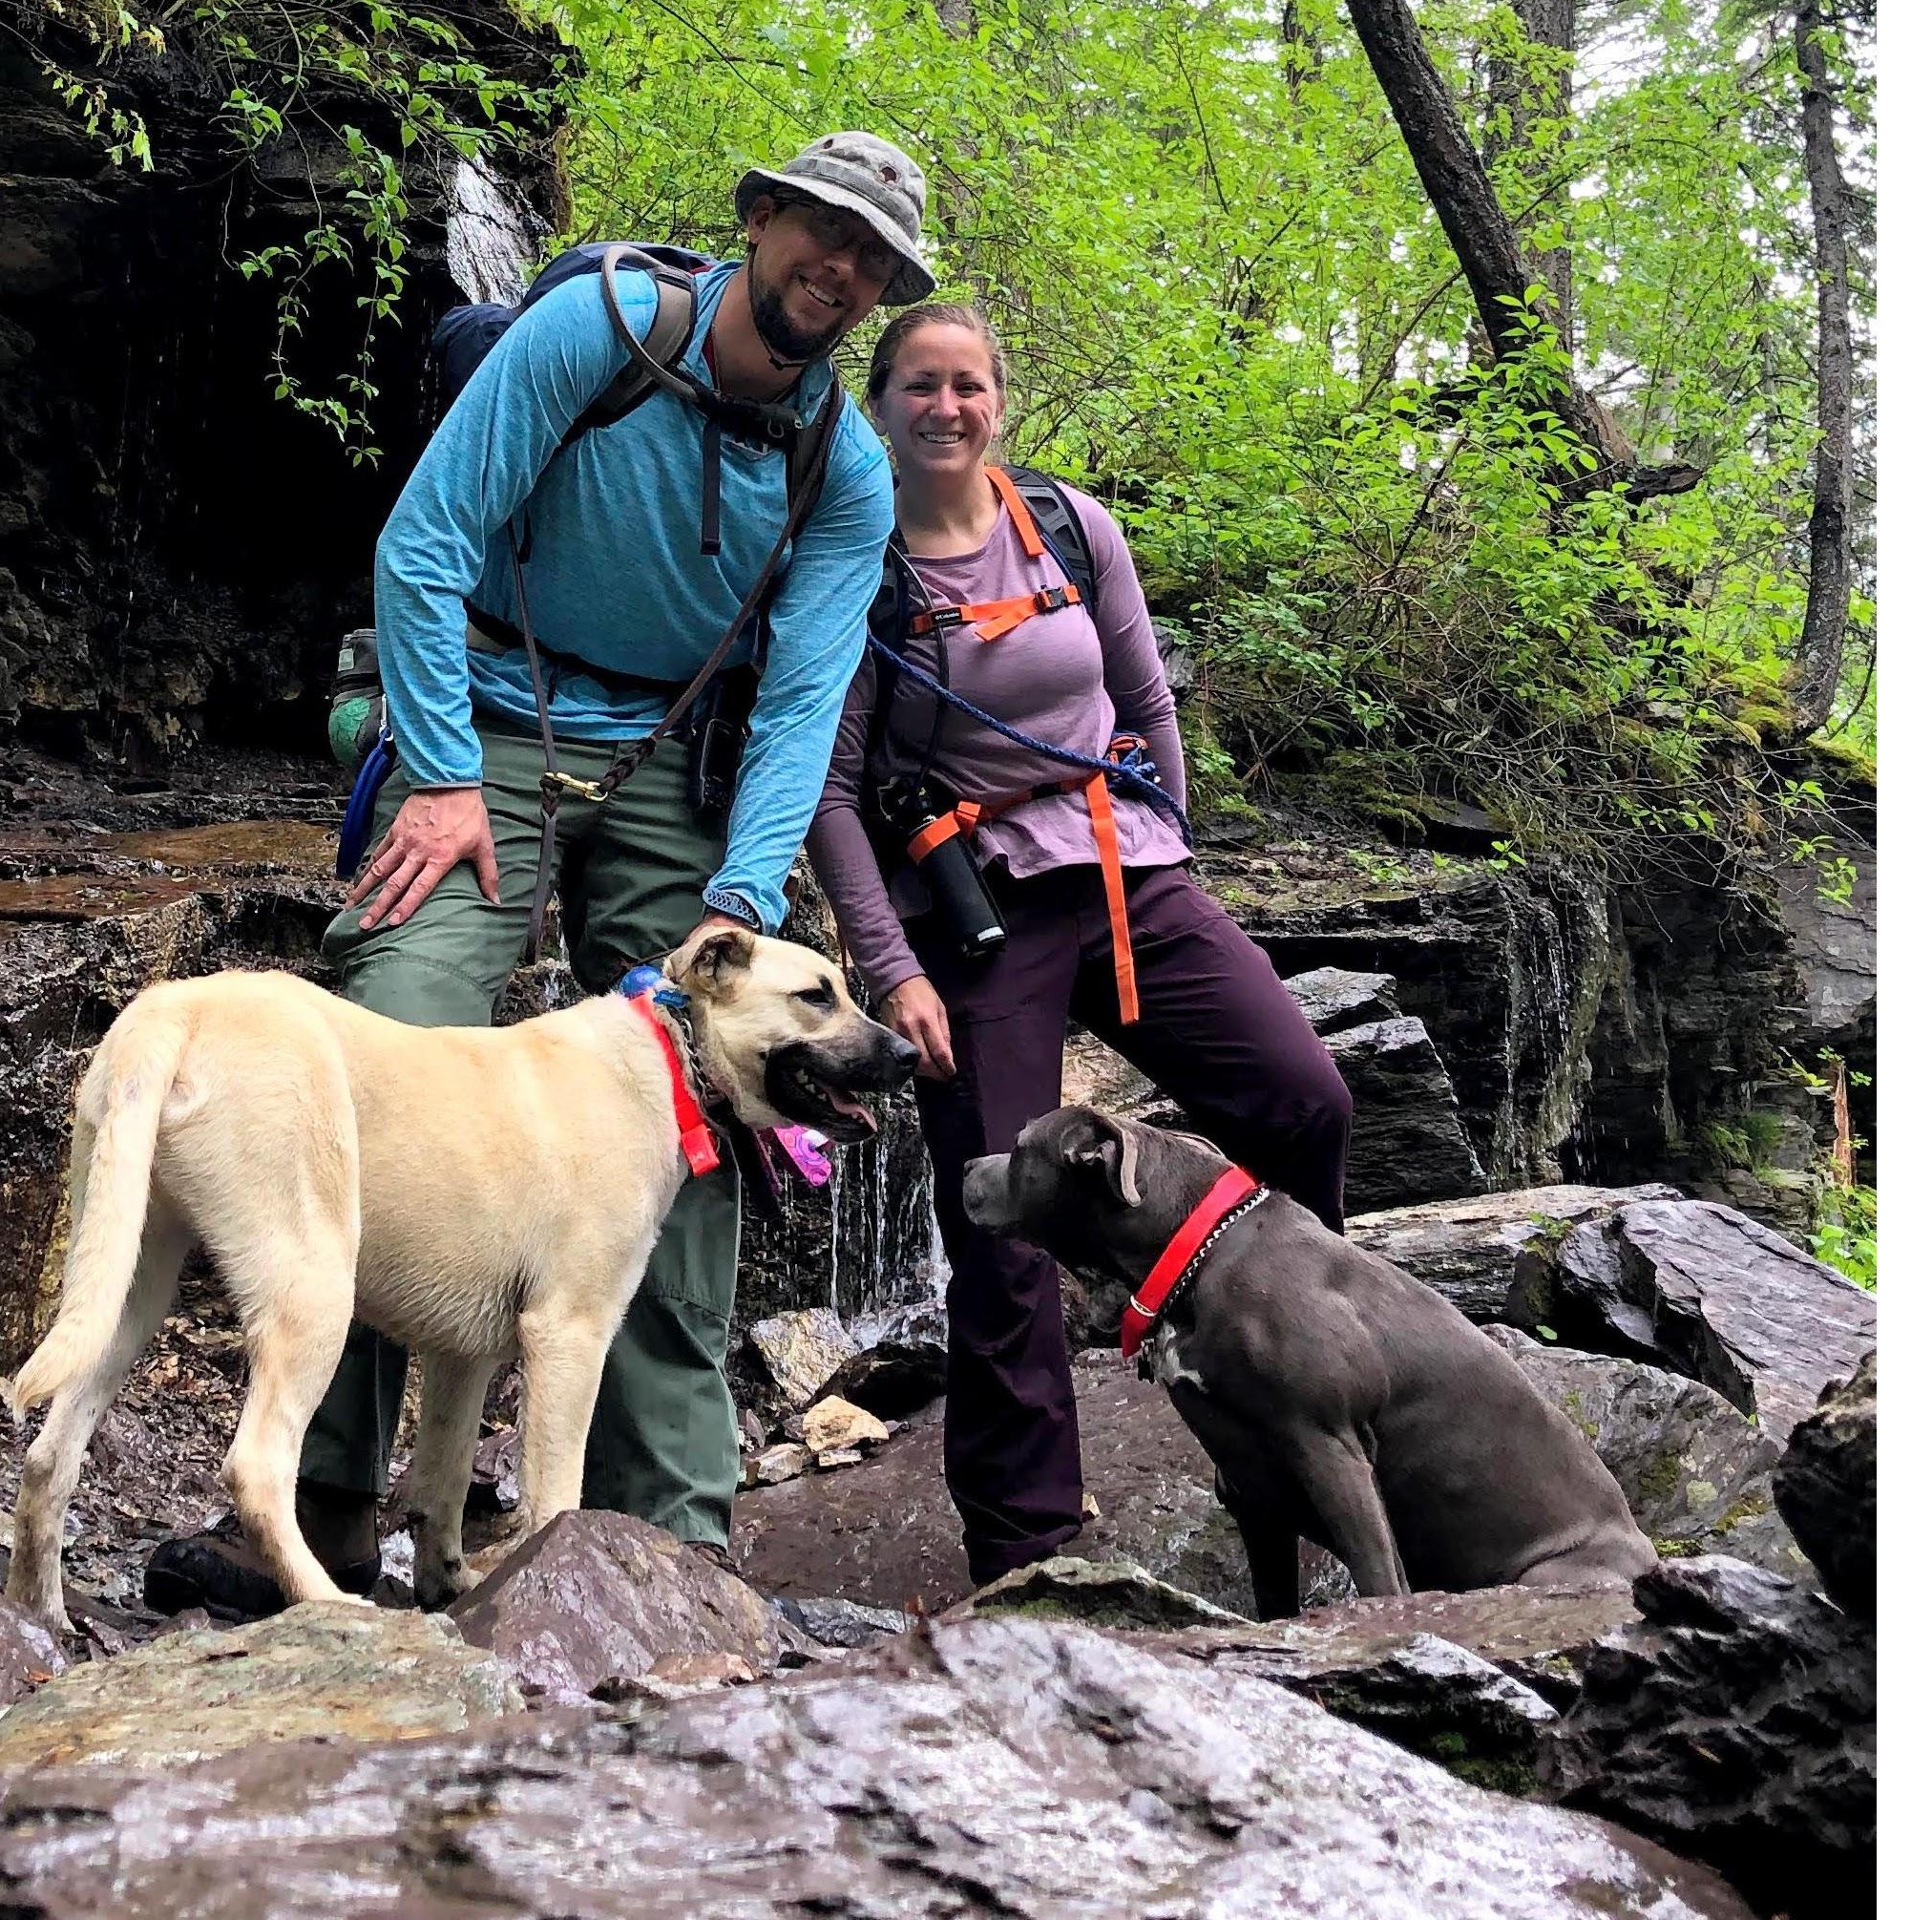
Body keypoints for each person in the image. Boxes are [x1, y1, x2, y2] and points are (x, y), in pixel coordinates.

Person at [146, 132, 922, 1616]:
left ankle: (662, 1547)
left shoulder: (846, 472)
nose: (838, 266)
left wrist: (747, 894)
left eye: (870, 257)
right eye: (820, 228)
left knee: (701, 1112)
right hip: (486, 722)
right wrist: (437, 770)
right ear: (757, 217)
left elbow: (806, 696)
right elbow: (427, 541)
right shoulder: (599, 329)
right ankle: (309, 1518)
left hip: (673, 767)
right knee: (396, 1038)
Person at [804, 301, 1354, 1591]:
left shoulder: (1067, 525)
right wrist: (894, 971)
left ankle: (1297, 1389)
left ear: (1001, 400)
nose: (947, 408)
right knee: (1003, 1225)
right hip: (978, 909)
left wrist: (1173, 838)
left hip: (1129, 880)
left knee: (1304, 1098)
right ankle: (1033, 1554)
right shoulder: (861, 570)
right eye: (921, 388)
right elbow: (828, 794)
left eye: (970, 386)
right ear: (877, 405)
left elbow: (1144, 697)